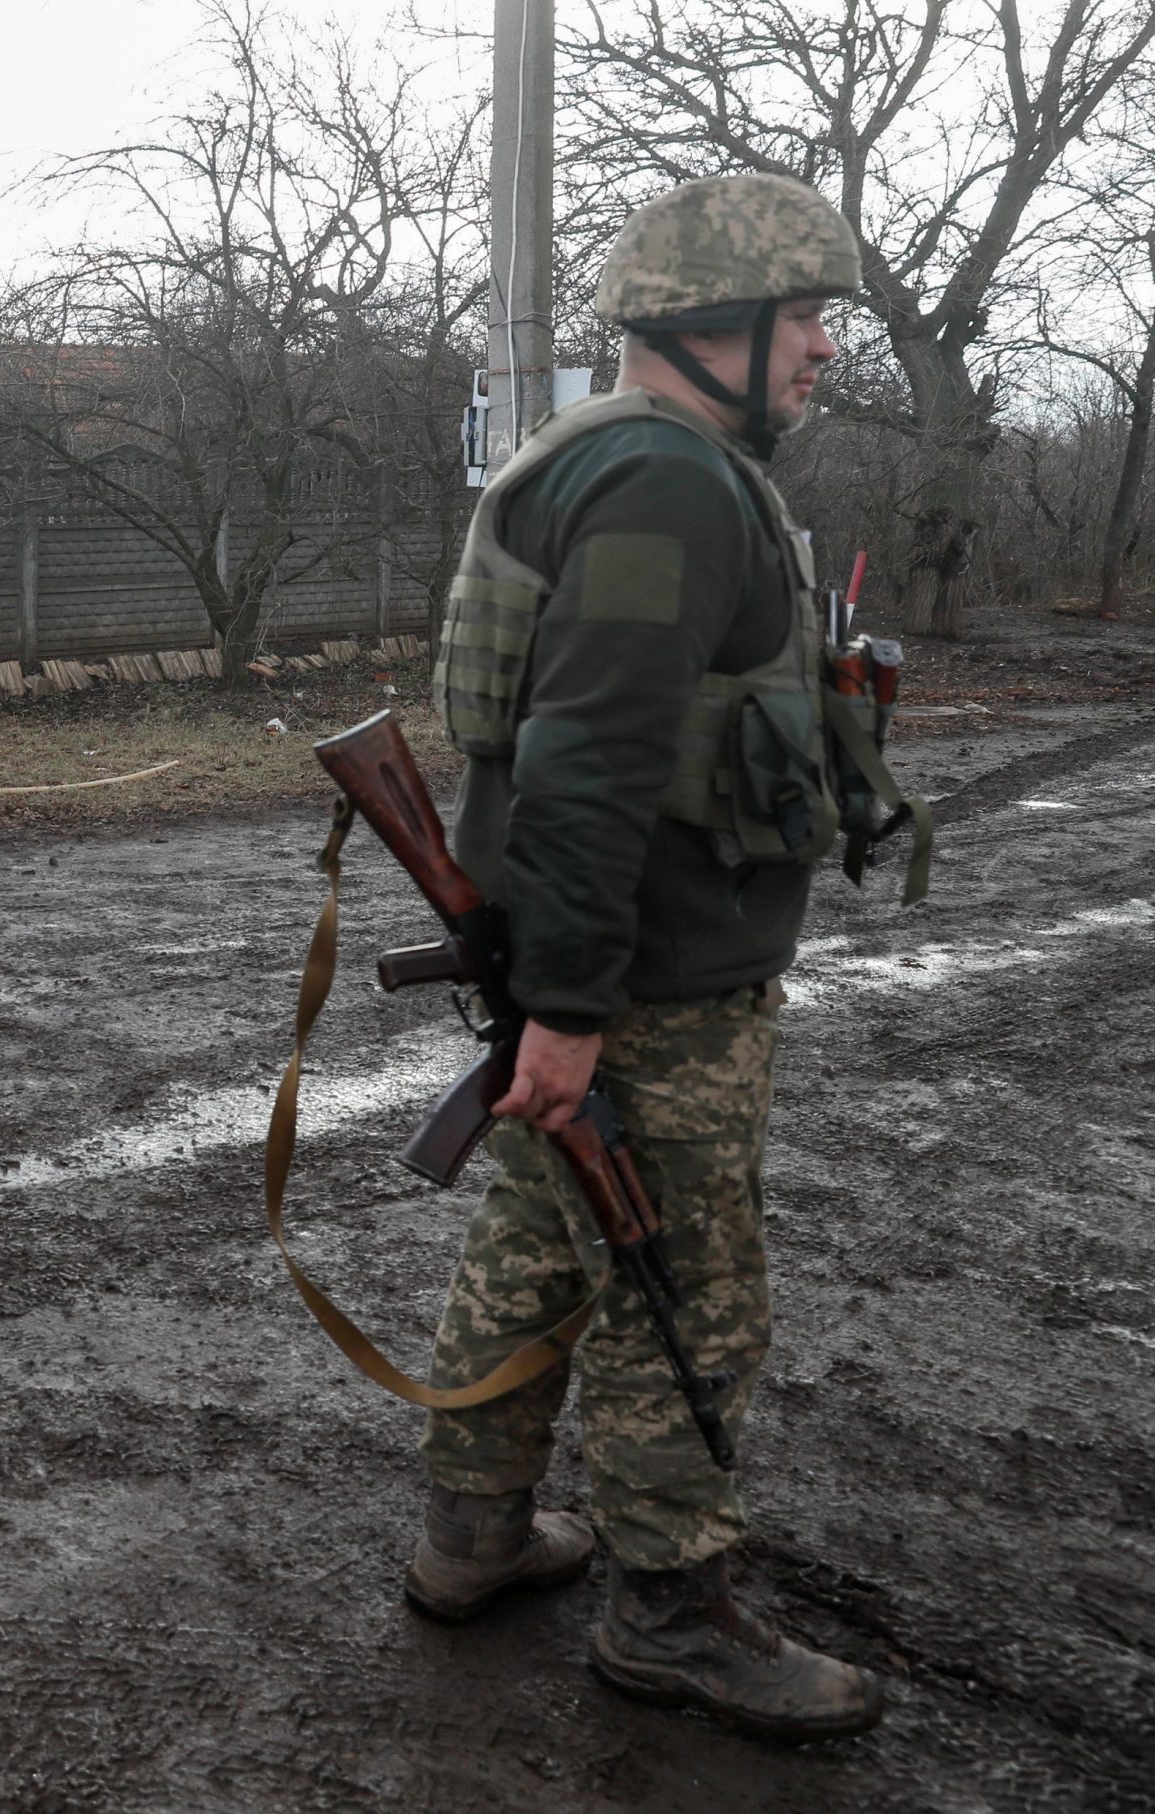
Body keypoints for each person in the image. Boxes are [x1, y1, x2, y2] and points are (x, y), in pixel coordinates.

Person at [408, 174, 886, 1742]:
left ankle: (475, 1536)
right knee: (685, 1286)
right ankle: (670, 1608)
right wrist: (570, 1010)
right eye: (803, 315)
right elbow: (598, 753)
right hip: (653, 981)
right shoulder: (665, 484)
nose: (823, 347)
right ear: (709, 321)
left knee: (544, 1249)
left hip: (614, 961)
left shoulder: (627, 463)